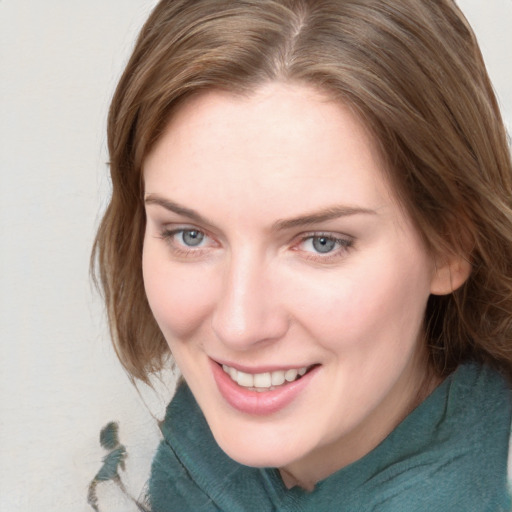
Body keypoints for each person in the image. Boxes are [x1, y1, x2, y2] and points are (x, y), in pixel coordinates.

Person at [91, 0, 512, 510]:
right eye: (190, 236)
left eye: (321, 243)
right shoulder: (169, 460)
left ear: (448, 244)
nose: (239, 325)